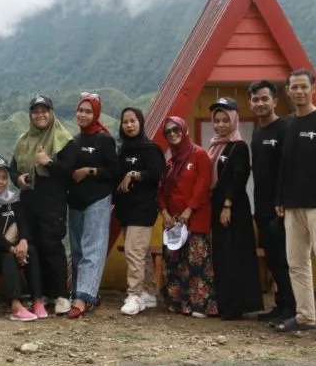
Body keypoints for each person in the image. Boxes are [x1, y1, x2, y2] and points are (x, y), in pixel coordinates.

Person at [275, 69, 316, 342]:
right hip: (292, 205)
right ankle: (304, 315)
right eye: (295, 87)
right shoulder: (288, 124)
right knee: (297, 263)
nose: (299, 91)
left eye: (304, 86)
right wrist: (280, 199)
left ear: (314, 89)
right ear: (288, 91)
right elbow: (284, 165)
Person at [10, 94, 74, 315]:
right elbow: (12, 168)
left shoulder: (63, 138)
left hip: (52, 201)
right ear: (30, 115)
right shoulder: (24, 140)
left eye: (44, 110)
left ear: (51, 112)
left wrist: (50, 163)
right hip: (29, 200)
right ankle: (41, 293)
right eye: (35, 111)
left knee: (52, 245)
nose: (40, 115)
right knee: (33, 246)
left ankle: (61, 295)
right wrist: (17, 179)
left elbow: (71, 171)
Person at [207, 97, 263, 320]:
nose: (220, 125)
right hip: (217, 205)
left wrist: (227, 205)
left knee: (235, 254)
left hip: (233, 207)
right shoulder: (215, 145)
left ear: (233, 120)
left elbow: (240, 176)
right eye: (217, 120)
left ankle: (237, 305)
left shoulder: (238, 146)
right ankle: (223, 302)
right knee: (221, 254)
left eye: (225, 120)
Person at [0, 155, 46, 321]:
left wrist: (24, 241)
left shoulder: (13, 199)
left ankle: (37, 300)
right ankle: (16, 304)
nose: (0, 182)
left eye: (4, 178)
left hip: (14, 248)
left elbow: (23, 222)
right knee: (7, 255)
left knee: (32, 250)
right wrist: (12, 249)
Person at [158, 116, 217, 318]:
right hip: (173, 221)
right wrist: (165, 212)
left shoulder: (199, 154)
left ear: (185, 131)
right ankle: (177, 303)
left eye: (176, 130)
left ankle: (200, 305)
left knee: (196, 262)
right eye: (168, 132)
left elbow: (203, 184)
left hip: (196, 217)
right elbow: (161, 190)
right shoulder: (170, 162)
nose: (173, 134)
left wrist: (189, 210)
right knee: (174, 262)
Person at [64, 93, 117, 319]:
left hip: (97, 200)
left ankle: (82, 298)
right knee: (77, 251)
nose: (83, 115)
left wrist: (89, 171)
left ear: (95, 114)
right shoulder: (73, 141)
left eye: (88, 111)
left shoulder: (104, 139)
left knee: (92, 250)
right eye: (80, 110)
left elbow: (114, 171)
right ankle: (83, 292)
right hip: (75, 202)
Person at [248, 80, 296, 324]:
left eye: (265, 98)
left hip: (282, 207)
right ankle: (281, 305)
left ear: (275, 101)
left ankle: (294, 309)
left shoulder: (286, 128)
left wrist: (284, 201)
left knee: (287, 259)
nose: (260, 103)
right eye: (255, 99)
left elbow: (291, 169)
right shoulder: (257, 131)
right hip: (262, 207)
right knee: (273, 259)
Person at [113, 107, 165, 316]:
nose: (129, 125)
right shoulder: (122, 149)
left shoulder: (150, 148)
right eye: (125, 122)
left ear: (140, 122)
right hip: (126, 208)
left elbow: (157, 173)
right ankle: (149, 293)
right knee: (139, 253)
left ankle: (134, 294)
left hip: (143, 209)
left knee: (133, 251)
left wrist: (134, 174)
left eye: (133, 121)